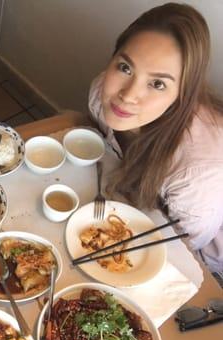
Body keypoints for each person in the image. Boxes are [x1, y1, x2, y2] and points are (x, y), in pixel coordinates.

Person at [88, 3, 223, 283]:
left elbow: (181, 251)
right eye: (125, 67)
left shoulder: (198, 175)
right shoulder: (104, 94)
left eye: (158, 84)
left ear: (183, 94)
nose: (128, 95)